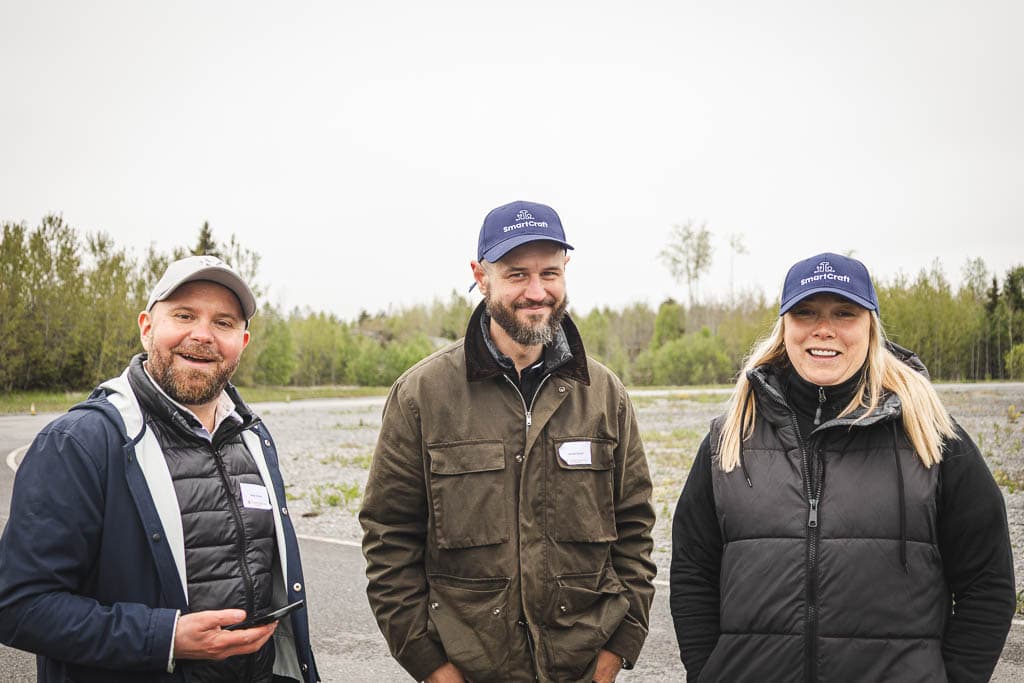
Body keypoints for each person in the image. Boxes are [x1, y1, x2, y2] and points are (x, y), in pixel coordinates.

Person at [669, 252, 1016, 682]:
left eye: (844, 313)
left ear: (870, 325)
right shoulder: (730, 438)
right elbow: (691, 573)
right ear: (785, 326)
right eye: (806, 312)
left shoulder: (933, 437)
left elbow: (989, 582)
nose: (824, 329)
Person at [359, 200, 657, 682]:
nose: (536, 291)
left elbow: (635, 532)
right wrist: (431, 667)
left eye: (550, 273)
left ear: (566, 272)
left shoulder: (605, 396)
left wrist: (615, 654)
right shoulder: (422, 396)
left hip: (580, 671)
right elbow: (389, 541)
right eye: (517, 274)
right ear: (481, 276)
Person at [0, 255, 319, 683]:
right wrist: (164, 638)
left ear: (242, 342)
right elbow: (19, 604)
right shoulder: (79, 443)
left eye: (223, 323)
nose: (202, 335)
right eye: (184, 315)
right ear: (147, 327)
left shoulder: (253, 438)